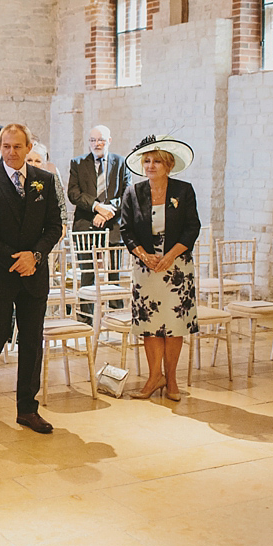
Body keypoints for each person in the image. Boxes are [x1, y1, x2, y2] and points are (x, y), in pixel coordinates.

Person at [0, 123, 62, 434]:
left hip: (34, 273)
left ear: (28, 146)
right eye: (6, 146)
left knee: (32, 341)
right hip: (1, 272)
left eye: (17, 146)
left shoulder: (44, 181)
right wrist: (15, 259)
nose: (11, 152)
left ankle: (27, 408)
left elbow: (54, 226)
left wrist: (34, 256)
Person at [120, 136, 200, 402]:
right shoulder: (133, 192)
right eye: (147, 161)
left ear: (168, 165)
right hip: (146, 267)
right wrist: (143, 255)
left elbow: (192, 227)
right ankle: (154, 377)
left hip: (176, 265)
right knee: (150, 324)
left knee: (174, 324)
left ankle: (172, 378)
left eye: (156, 161)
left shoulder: (184, 191)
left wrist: (171, 255)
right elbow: (126, 229)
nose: (151, 166)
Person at [67, 125, 131, 318]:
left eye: (101, 139)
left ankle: (116, 314)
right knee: (88, 272)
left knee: (114, 272)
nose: (97, 144)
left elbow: (128, 192)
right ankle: (87, 316)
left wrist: (107, 210)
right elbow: (73, 193)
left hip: (113, 223)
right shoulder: (77, 163)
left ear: (109, 140)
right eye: (93, 140)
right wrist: (96, 207)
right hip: (86, 223)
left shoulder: (121, 162)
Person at [27, 143, 69, 228]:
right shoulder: (20, 178)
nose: (33, 164)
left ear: (44, 163)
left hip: (48, 226)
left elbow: (61, 204)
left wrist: (63, 224)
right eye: (29, 160)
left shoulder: (52, 178)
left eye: (37, 161)